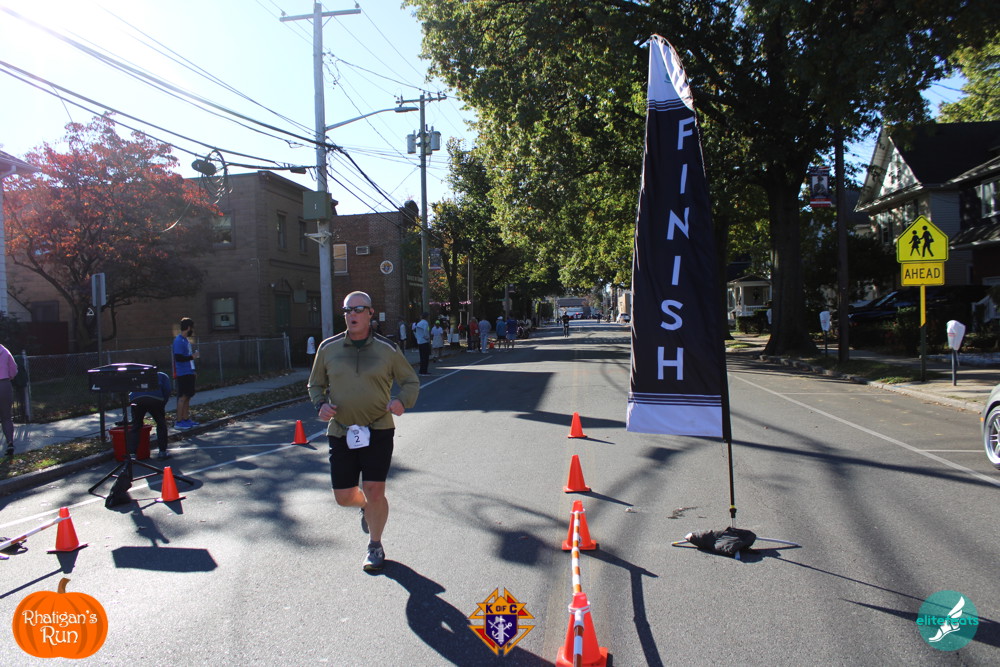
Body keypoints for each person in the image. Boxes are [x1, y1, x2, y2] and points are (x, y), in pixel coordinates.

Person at [308, 291, 420, 573]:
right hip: (341, 430)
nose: (352, 315)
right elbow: (315, 384)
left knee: (375, 489)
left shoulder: (387, 349)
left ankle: (375, 545)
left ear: (370, 313)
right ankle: (364, 505)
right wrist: (320, 404)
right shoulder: (328, 348)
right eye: (347, 310)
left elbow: (410, 381)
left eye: (358, 309)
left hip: (378, 428)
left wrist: (402, 401)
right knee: (344, 496)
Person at [128, 371, 172, 460]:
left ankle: (132, 454)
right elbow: (167, 390)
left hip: (137, 399)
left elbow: (131, 392)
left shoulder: (137, 375)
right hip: (155, 399)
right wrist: (162, 403)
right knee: (161, 424)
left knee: (136, 425)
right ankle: (162, 452)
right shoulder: (162, 375)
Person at [172, 318, 200, 429]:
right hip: (182, 373)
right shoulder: (178, 340)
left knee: (188, 396)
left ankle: (186, 419)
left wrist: (193, 370)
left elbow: (188, 357)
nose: (192, 330)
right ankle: (179, 422)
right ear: (188, 328)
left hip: (189, 371)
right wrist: (192, 356)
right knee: (182, 397)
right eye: (192, 328)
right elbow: (178, 357)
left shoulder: (185, 340)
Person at [1, 343, 19, 457]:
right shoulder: (4, 351)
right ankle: (10, 443)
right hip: (4, 384)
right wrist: (8, 377)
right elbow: (13, 369)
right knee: (6, 417)